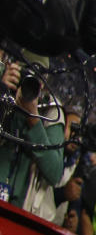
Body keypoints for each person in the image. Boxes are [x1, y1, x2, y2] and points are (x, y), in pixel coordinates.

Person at [0, 53, 64, 216]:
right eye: (26, 73)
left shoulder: (51, 110)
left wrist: (34, 119)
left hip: (21, 209)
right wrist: (2, 91)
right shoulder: (4, 90)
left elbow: (55, 173)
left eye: (39, 78)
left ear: (45, 83)